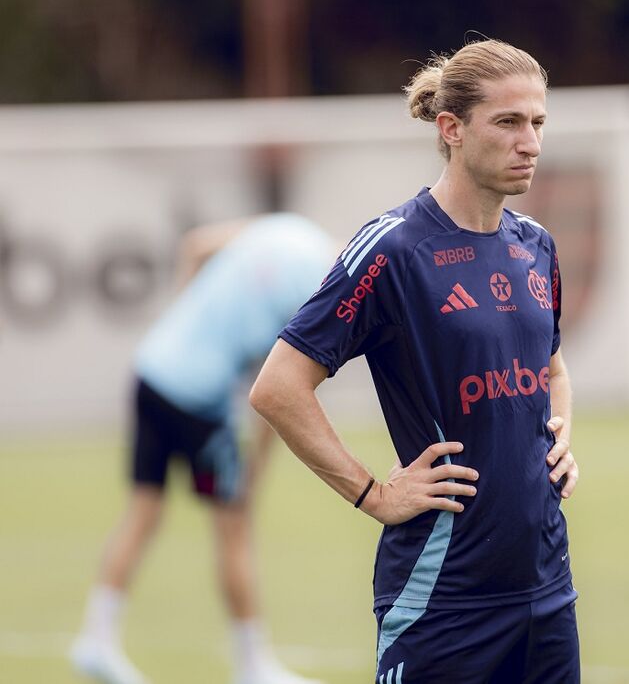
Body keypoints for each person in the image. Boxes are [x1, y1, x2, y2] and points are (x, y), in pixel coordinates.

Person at [249, 38, 580, 684]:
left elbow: (553, 366)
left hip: (547, 587)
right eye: (509, 121)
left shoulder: (536, 244)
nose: (530, 142)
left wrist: (562, 434)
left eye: (538, 122)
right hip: (442, 598)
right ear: (451, 128)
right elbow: (279, 386)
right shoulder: (393, 248)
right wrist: (372, 492)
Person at [71, 214, 333, 684]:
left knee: (144, 510)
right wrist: (256, 468)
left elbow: (195, 245)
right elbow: (278, 390)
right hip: (198, 404)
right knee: (233, 525)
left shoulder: (285, 228)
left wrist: (186, 324)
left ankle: (96, 636)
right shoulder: (318, 292)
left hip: (153, 368)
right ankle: (252, 666)